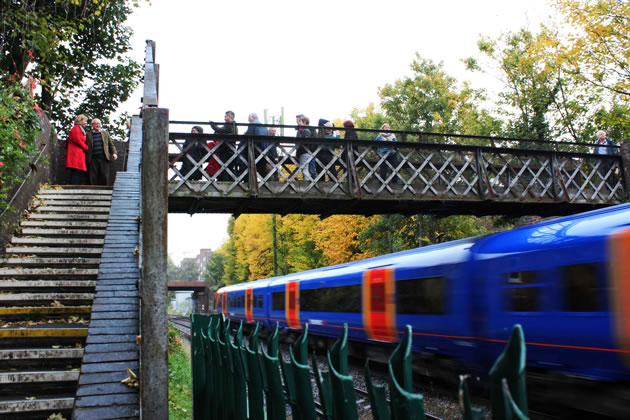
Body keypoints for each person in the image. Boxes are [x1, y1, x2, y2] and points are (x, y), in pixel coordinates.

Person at [85, 118, 118, 186]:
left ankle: (106, 189)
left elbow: (111, 144)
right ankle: (92, 190)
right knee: (92, 175)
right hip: (92, 158)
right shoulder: (88, 135)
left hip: (104, 157)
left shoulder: (105, 134)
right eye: (96, 124)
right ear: (92, 125)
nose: (98, 125)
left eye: (99, 124)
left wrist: (114, 153)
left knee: (105, 175)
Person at [210, 111, 237, 181]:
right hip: (226, 149)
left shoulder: (231, 124)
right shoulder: (230, 125)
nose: (224, 118)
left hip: (227, 149)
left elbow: (220, 130)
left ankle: (226, 180)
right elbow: (219, 131)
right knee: (225, 166)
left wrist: (213, 125)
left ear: (230, 116)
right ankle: (224, 179)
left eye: (225, 116)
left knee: (226, 166)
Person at [65, 114, 89, 185]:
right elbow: (77, 140)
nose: (86, 123)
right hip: (75, 153)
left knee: (76, 171)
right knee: (76, 170)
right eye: (85, 121)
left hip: (77, 152)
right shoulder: (76, 128)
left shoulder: (78, 128)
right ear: (80, 121)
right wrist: (86, 147)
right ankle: (73, 185)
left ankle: (74, 184)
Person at [295, 115, 315, 181]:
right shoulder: (302, 130)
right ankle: (309, 181)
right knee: (306, 168)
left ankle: (306, 183)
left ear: (304, 122)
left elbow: (306, 139)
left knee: (305, 168)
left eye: (300, 121)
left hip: (305, 151)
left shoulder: (305, 130)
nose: (298, 123)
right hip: (305, 151)